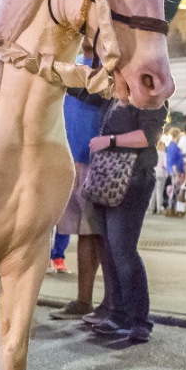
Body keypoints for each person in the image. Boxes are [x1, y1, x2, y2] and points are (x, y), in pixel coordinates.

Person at [88, 99, 169, 343]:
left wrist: (110, 141)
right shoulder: (112, 91)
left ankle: (139, 319)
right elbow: (82, 89)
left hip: (133, 176)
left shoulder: (150, 92)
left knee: (123, 250)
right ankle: (118, 314)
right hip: (106, 176)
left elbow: (149, 136)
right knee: (110, 249)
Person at [50, 47, 105, 320]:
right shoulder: (68, 60)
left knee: (89, 231)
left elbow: (97, 96)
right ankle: (5, 292)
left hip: (88, 158)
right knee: (30, 226)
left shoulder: (107, 63)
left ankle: (84, 300)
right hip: (57, 154)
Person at [164, 127, 184, 216]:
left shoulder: (173, 146)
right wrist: (176, 174)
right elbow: (173, 162)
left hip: (174, 171)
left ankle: (172, 208)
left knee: (175, 191)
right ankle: (171, 209)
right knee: (174, 191)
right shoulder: (173, 147)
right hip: (174, 171)